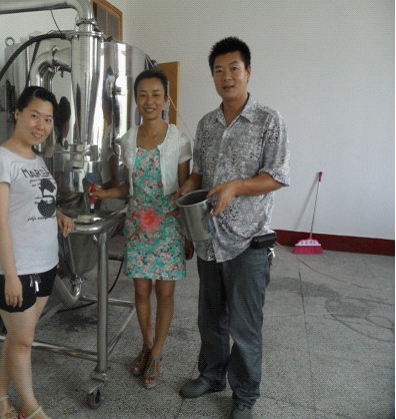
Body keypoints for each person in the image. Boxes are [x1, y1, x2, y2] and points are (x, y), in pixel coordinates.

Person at [176, 37, 290, 419]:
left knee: (245, 326)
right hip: (209, 239)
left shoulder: (268, 121)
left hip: (248, 241)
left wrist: (236, 187)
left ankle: (244, 395)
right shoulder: (207, 124)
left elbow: (276, 176)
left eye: (233, 69)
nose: (226, 77)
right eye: (219, 70)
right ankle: (211, 375)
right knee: (210, 319)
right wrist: (189, 185)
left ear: (248, 72)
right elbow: (199, 173)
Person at [93, 69, 193, 389]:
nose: (149, 101)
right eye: (143, 95)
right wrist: (104, 193)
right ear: (136, 100)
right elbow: (127, 187)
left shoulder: (179, 140)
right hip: (138, 225)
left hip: (168, 225)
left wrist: (188, 234)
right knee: (140, 291)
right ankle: (147, 345)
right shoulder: (128, 140)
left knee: (165, 292)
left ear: (165, 99)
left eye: (156, 95)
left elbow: (185, 190)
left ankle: (158, 353)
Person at [0, 85, 75, 419]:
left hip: (44, 264)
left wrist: (58, 213)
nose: (41, 125)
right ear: (18, 113)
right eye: (35, 115)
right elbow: (0, 222)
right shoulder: (1, 160)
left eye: (48, 119)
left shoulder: (36, 159)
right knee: (23, 341)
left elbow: (33, 201)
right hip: (15, 269)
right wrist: (10, 276)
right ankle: (31, 408)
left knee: (19, 337)